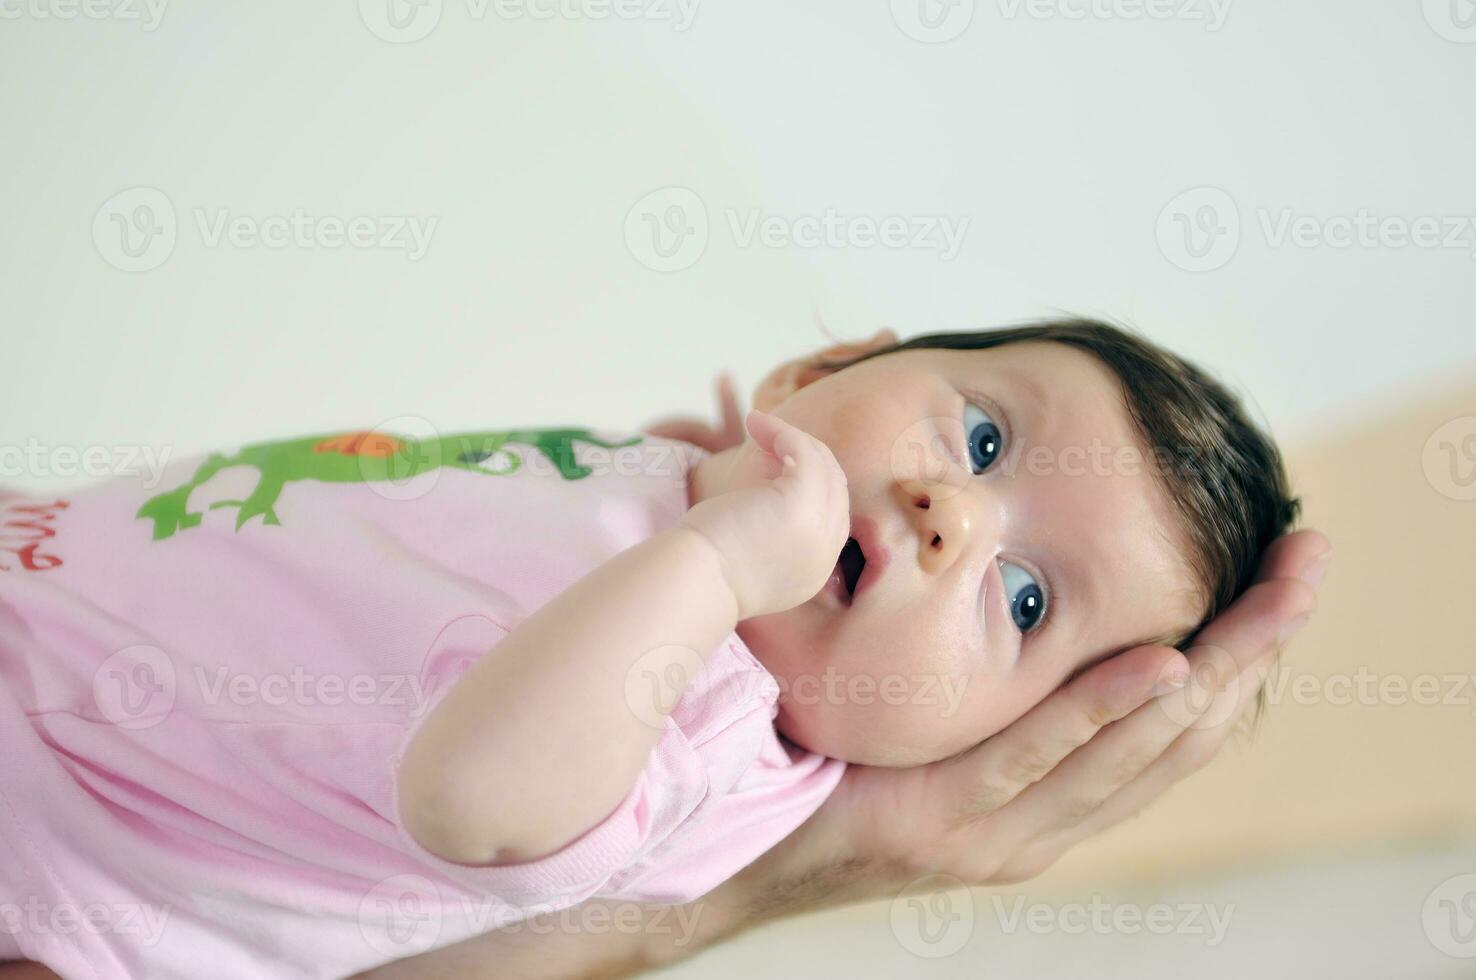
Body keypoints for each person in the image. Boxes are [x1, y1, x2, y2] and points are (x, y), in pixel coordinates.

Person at [0, 324, 1327, 978]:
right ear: (827, 365)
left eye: (1026, 601)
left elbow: (475, 803)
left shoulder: (707, 735)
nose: (956, 516)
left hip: (54, 844)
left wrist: (709, 574)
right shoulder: (685, 494)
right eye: (980, 438)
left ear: (976, 746)